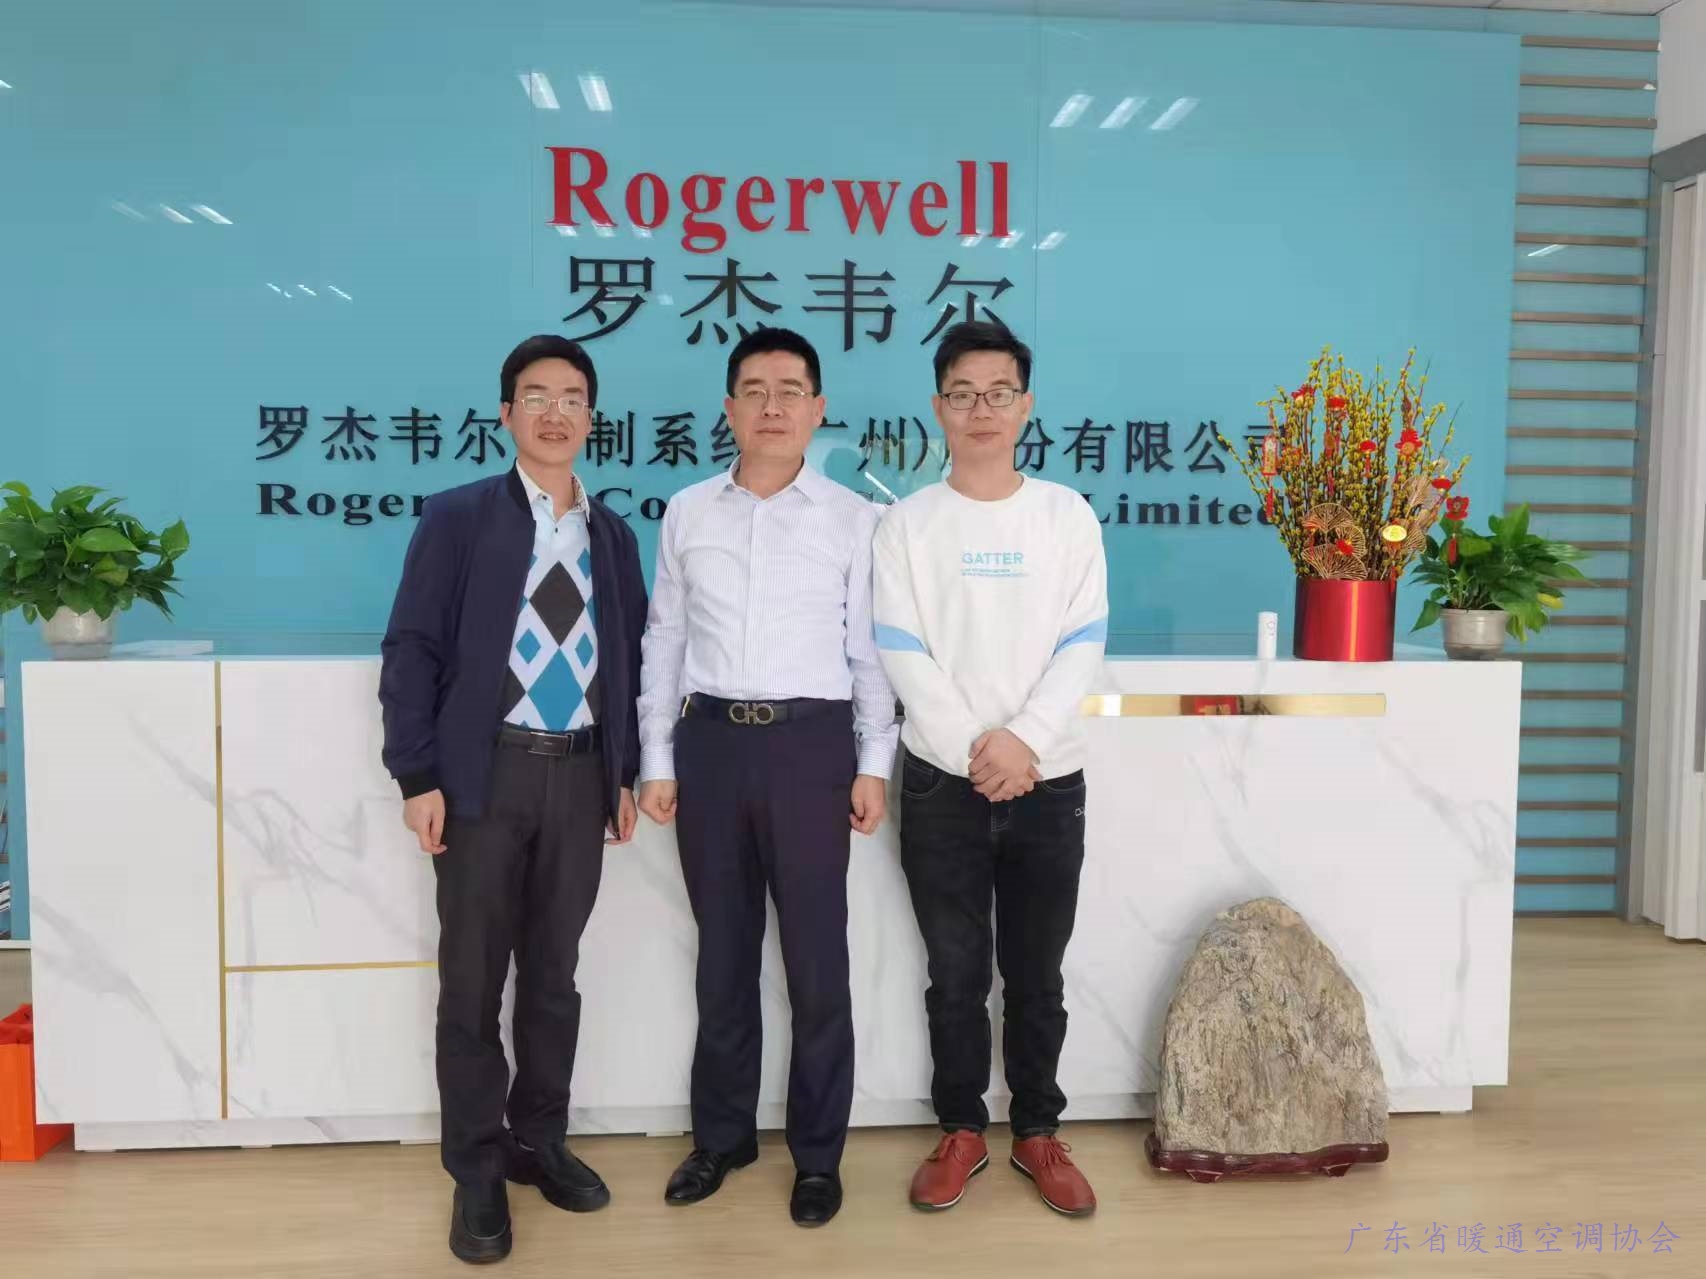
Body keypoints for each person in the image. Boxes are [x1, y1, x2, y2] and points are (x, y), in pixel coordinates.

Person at [379, 335, 648, 1264]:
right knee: (472, 981)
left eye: (572, 396)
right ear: (506, 415)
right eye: (536, 395)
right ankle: (477, 1168)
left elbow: (630, 658)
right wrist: (416, 774)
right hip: (481, 777)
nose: (554, 411)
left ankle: (538, 1139)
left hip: (579, 778)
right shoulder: (459, 518)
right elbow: (412, 647)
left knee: (553, 976)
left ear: (591, 416)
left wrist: (623, 771)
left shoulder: (612, 535)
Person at [636, 326, 899, 1227]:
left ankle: (818, 1155)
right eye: (754, 390)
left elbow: (868, 653)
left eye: (791, 390)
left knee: (818, 963)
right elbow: (664, 639)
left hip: (811, 749)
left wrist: (873, 762)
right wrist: (657, 758)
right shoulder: (688, 512)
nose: (773, 406)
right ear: (729, 409)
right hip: (710, 744)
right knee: (723, 956)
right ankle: (723, 1137)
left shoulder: (856, 520)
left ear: (818, 409)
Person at [872, 320, 1109, 1217]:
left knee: (1039, 973)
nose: (981, 409)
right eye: (963, 394)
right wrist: (978, 747)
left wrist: (1025, 741)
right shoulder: (907, 523)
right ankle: (962, 1128)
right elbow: (900, 647)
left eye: (998, 392)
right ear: (938, 407)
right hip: (942, 782)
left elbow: (1084, 640)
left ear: (1026, 405)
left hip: (1049, 779)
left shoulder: (1066, 515)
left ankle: (1038, 1130)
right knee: (956, 974)